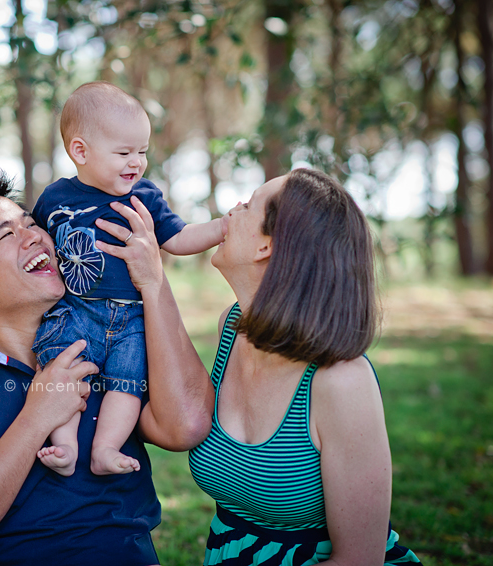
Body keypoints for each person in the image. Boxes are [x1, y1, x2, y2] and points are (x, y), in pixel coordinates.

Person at [95, 168, 422, 565]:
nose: (232, 209)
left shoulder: (341, 382)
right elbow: (174, 416)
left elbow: (359, 559)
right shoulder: (232, 329)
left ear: (267, 246)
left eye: (247, 205)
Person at [0, 174, 198, 566]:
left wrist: (153, 282)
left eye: (32, 224)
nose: (35, 236)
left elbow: (185, 425)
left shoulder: (109, 346)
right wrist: (39, 416)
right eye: (6, 235)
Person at [31, 81, 225, 477]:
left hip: (132, 320)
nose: (135, 162)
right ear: (80, 151)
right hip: (76, 310)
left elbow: (181, 238)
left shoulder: (145, 197)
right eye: (123, 152)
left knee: (126, 383)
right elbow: (40, 248)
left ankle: (105, 449)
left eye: (142, 152)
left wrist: (224, 226)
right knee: (64, 374)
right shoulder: (54, 199)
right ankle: (65, 445)